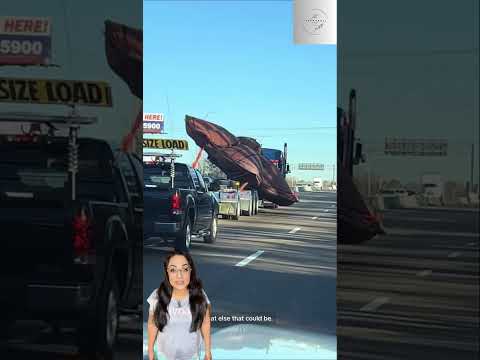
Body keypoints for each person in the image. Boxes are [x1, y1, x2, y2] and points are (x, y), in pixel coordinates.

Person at [147, 250, 212, 360]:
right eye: (173, 270)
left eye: (185, 269)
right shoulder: (157, 295)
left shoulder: (200, 295)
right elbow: (152, 325)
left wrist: (208, 351)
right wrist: (150, 351)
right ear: (167, 272)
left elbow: (205, 323)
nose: (179, 275)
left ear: (191, 271)